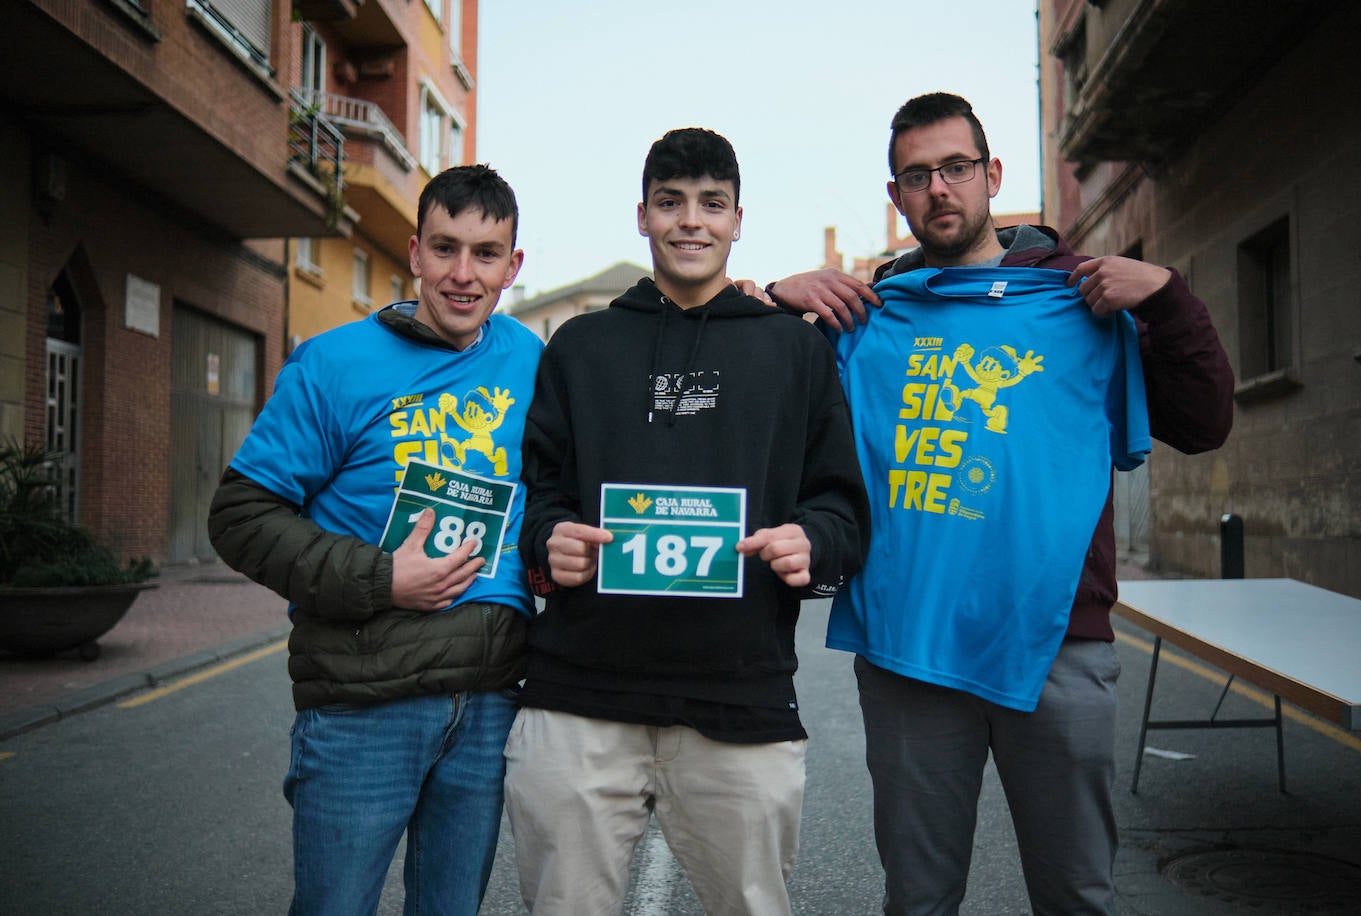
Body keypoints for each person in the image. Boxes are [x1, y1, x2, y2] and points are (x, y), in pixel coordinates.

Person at [766, 92, 1235, 915]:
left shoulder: (1082, 304)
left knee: (1076, 895)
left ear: (993, 175)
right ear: (897, 195)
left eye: (955, 168)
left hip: (1055, 639)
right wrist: (771, 301)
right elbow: (753, 415)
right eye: (917, 176)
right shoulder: (869, 318)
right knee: (918, 898)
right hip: (908, 641)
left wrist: (1165, 297)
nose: (938, 189)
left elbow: (1203, 424)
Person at [506, 127, 870, 915]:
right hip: (580, 698)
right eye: (670, 203)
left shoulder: (795, 353)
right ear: (643, 216)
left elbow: (842, 506)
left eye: (712, 203)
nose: (691, 221)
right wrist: (548, 541)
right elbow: (538, 494)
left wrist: (813, 543)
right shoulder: (579, 345)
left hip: (741, 701)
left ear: (740, 218)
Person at [207, 164, 541, 916]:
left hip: (487, 703)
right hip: (363, 706)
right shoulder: (332, 363)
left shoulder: (530, 360)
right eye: (445, 248)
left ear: (512, 266)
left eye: (486, 254)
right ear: (414, 253)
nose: (464, 274)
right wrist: (383, 578)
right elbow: (239, 517)